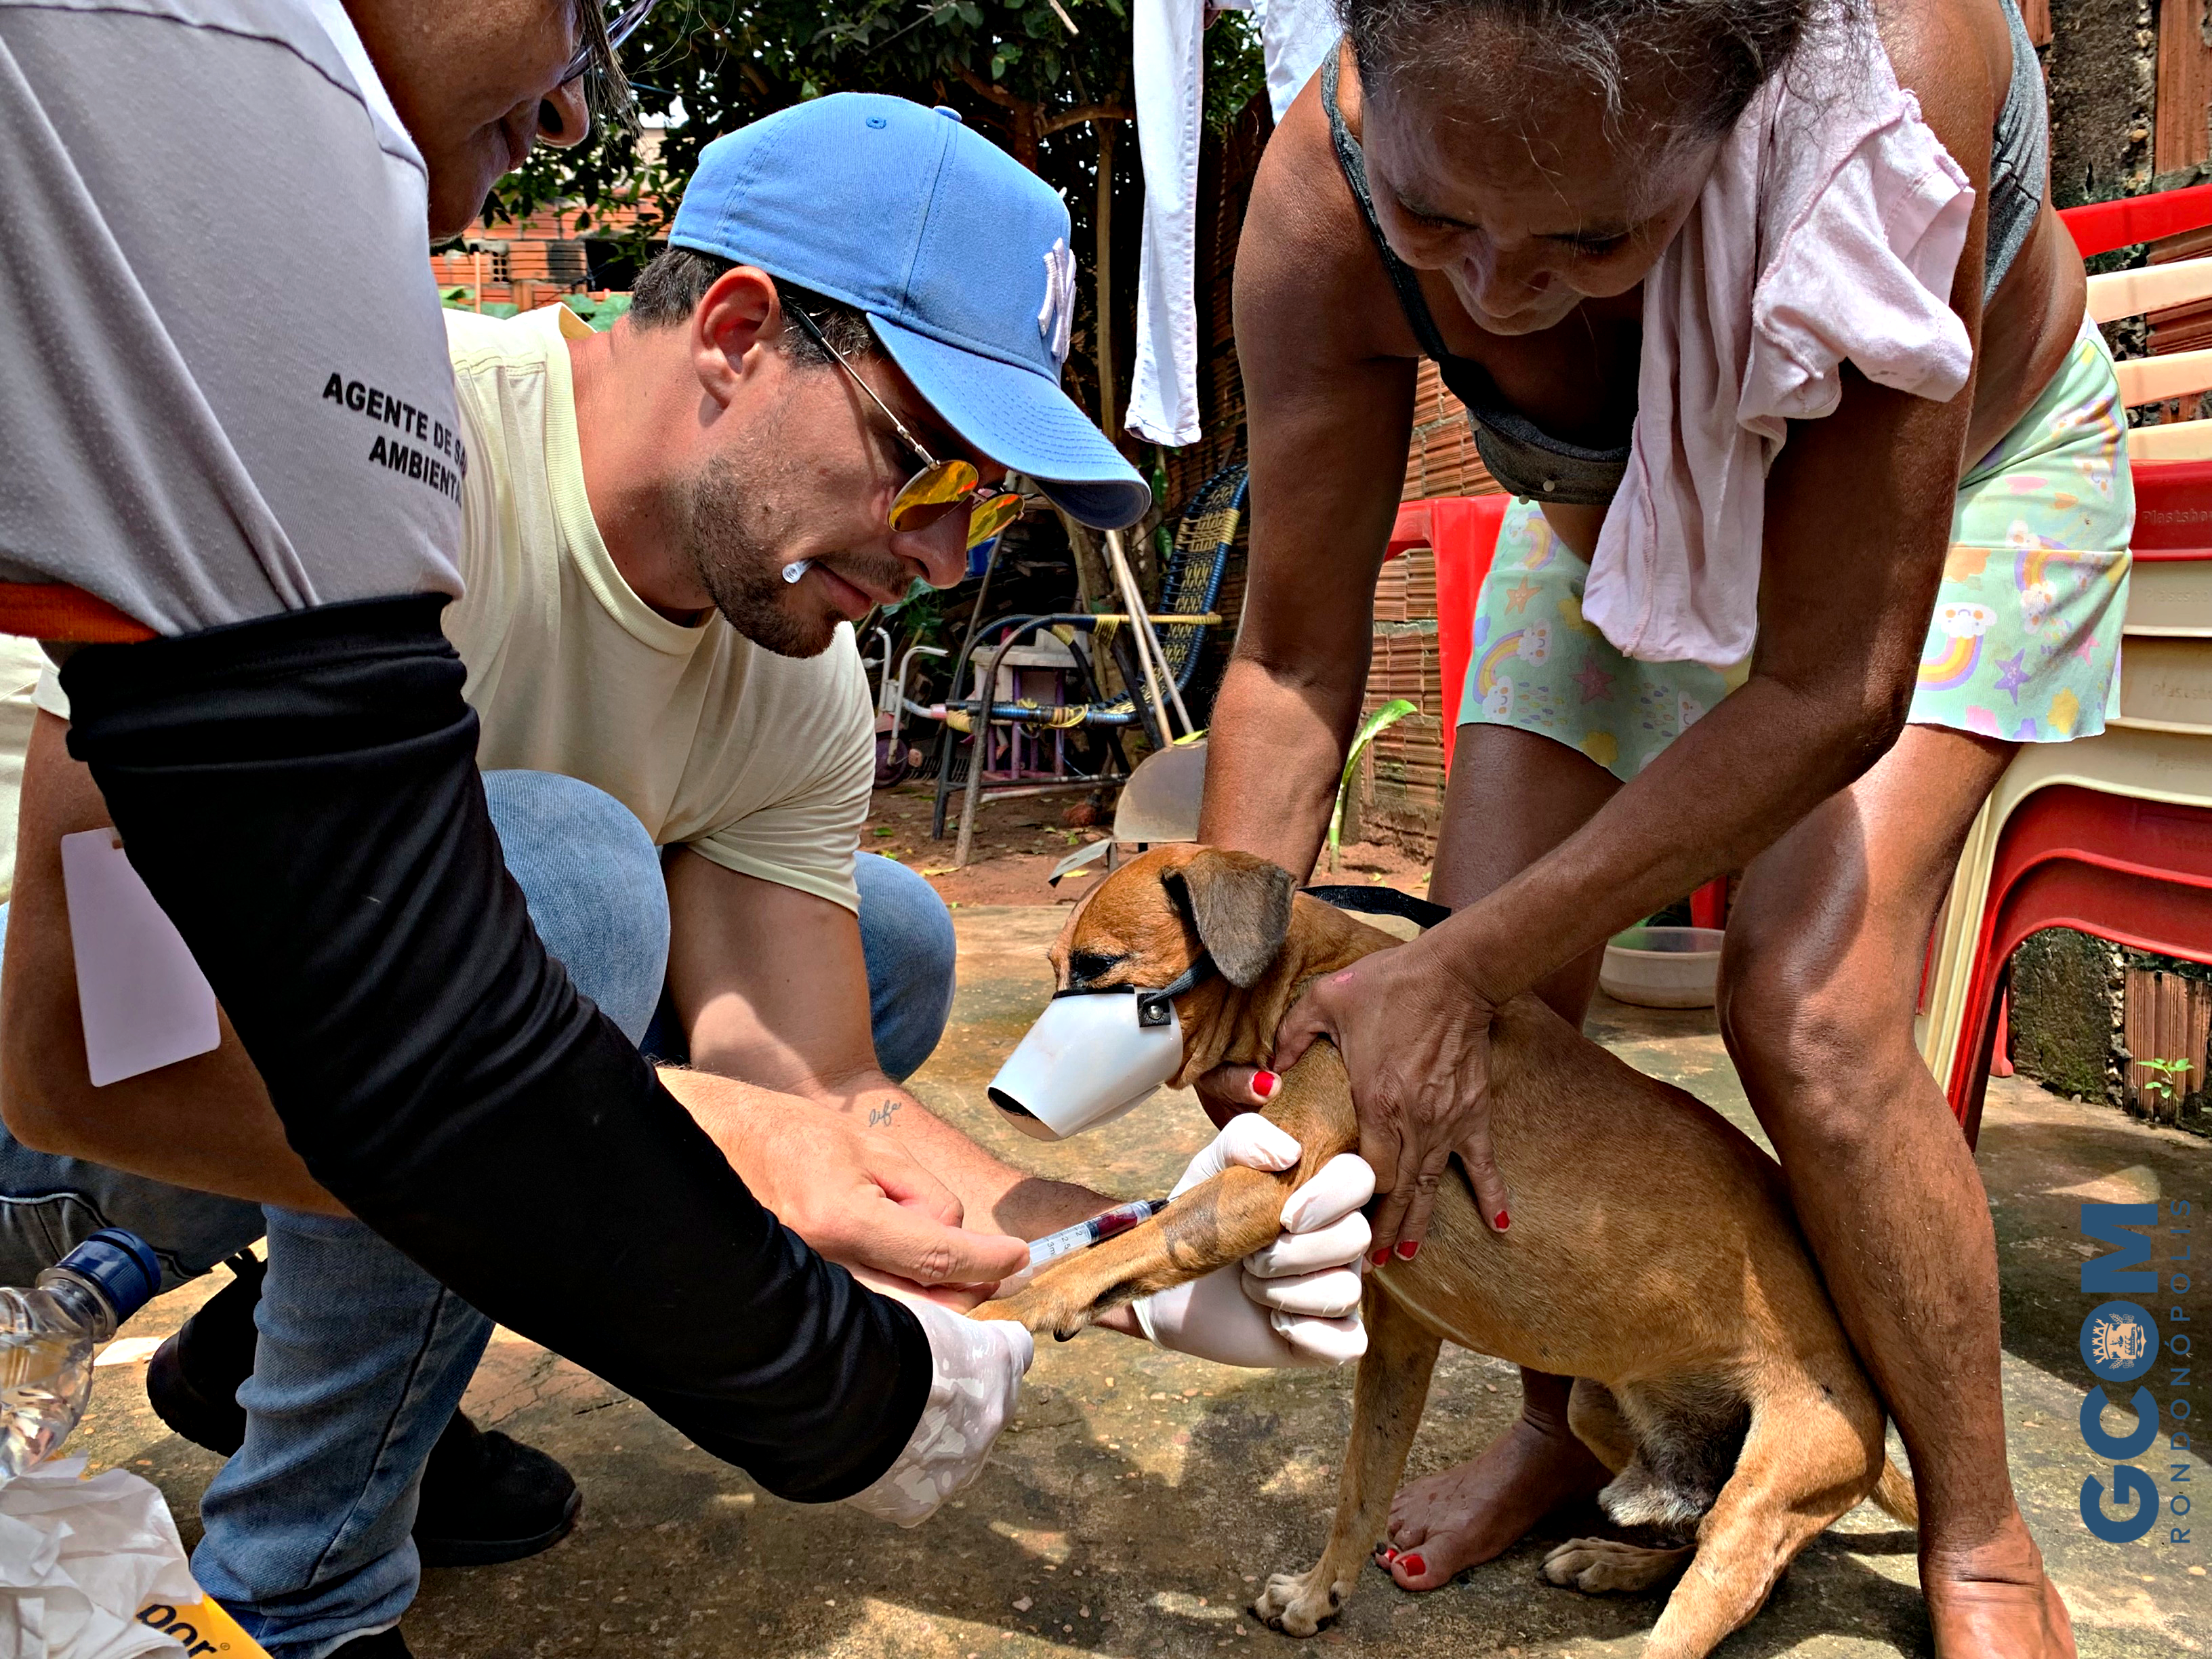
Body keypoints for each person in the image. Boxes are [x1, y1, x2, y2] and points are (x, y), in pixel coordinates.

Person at [1, 71, 1378, 1654]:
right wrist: (684, 1143)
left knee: (890, 938)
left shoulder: (800, 669)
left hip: (358, 1090)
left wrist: (1132, 1250)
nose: (938, 561)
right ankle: (301, 1594)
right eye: (924, 464)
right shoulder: (375, 437)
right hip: (66, 1096)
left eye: (987, 514)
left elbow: (824, 1097)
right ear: (734, 335)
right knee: (569, 880)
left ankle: (288, 1357)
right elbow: (99, 1050)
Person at [1200, 1, 2121, 1654]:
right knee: (1501, 1026)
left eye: (1595, 235)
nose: (1492, 289)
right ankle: (1574, 1428)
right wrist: (1228, 973)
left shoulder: (1895, 77)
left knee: (1811, 1011)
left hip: (1965, 500)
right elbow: (1289, 651)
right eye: (1437, 220)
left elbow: (1837, 684)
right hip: (1622, 531)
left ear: (1744, 117)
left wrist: (1448, 970)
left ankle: (1973, 1522)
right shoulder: (1316, 205)